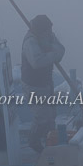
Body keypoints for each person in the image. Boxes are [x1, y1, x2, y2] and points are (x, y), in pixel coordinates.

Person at [21, 14, 65, 153]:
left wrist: (51, 50)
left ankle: (51, 141)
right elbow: (37, 62)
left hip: (47, 82)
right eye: (47, 31)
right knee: (42, 117)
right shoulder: (30, 41)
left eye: (50, 30)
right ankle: (33, 141)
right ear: (40, 30)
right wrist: (53, 54)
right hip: (33, 85)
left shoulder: (49, 35)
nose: (50, 33)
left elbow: (61, 50)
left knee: (51, 113)